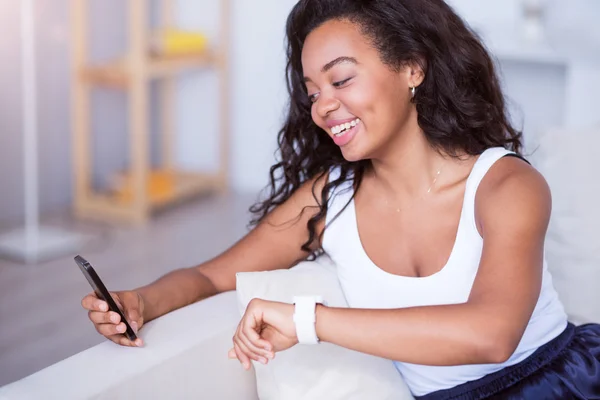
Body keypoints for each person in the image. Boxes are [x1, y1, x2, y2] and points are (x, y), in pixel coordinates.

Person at [81, 0, 600, 398]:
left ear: (412, 68)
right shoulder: (329, 200)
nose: (324, 107)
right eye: (312, 92)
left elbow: (493, 334)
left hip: (562, 383)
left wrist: (306, 321)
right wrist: (141, 301)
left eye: (342, 79)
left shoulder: (506, 185)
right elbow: (212, 277)